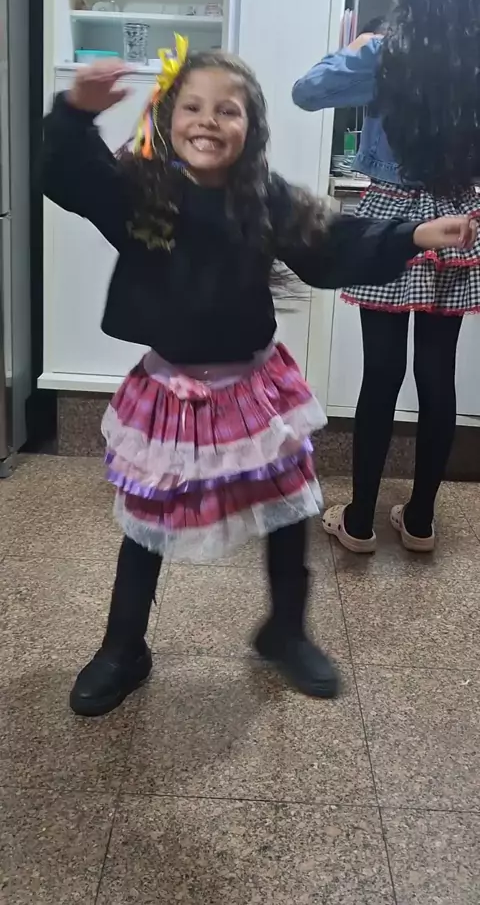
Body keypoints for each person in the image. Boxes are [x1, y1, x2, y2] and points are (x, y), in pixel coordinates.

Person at [41, 39, 474, 717]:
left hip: (254, 387)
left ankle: (285, 631)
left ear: (253, 126)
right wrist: (74, 111)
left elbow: (333, 245)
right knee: (147, 522)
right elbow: (71, 176)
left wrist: (413, 236)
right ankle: (124, 647)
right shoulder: (140, 191)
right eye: (193, 107)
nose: (209, 121)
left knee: (288, 508)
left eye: (228, 110)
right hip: (172, 393)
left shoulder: (266, 199)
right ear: (168, 117)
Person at [293, 0, 480, 556]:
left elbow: (308, 90)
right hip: (457, 219)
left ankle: (360, 522)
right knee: (438, 373)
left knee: (381, 374)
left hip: (391, 219)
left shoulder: (384, 53)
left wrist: (359, 44)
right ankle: (421, 522)